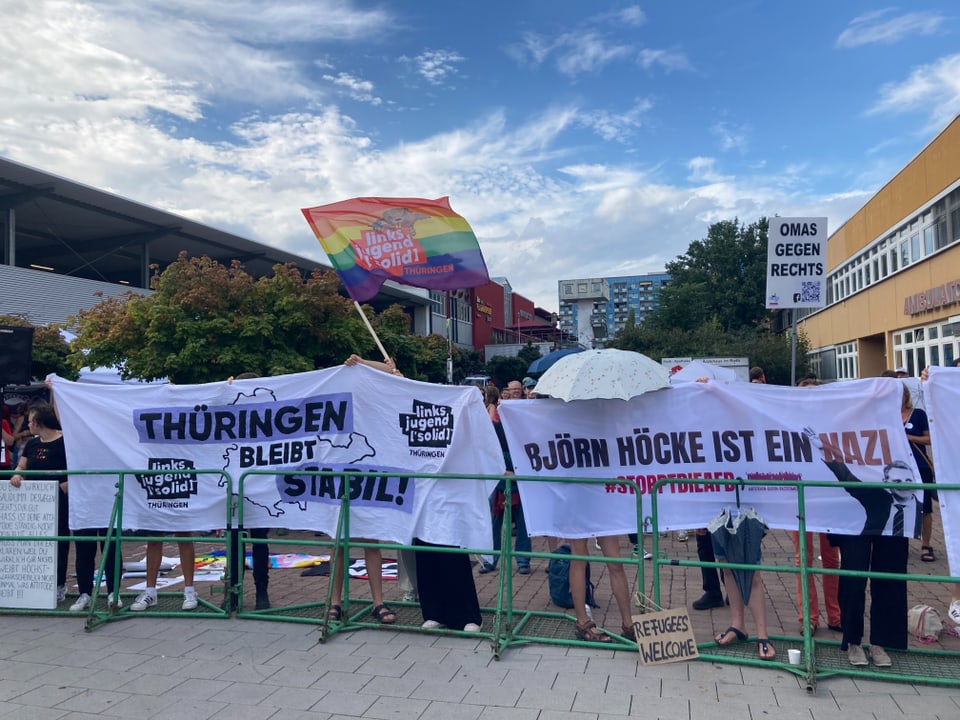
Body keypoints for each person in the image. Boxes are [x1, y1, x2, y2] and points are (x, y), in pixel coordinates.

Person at [807, 429, 918, 667]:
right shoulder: (877, 496)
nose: (903, 485)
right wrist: (824, 449)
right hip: (856, 527)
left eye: (907, 481)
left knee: (889, 580)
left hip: (896, 532)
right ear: (887, 481)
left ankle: (881, 641)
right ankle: (853, 641)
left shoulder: (913, 501)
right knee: (853, 580)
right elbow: (849, 479)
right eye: (897, 481)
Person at [790, 378, 841, 634]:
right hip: (800, 499)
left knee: (832, 558)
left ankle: (836, 615)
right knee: (804, 559)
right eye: (804, 396)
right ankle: (808, 617)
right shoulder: (786, 423)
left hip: (830, 499)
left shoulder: (833, 423)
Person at [8, 402, 71, 603]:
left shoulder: (64, 443)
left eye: (29, 421)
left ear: (38, 422)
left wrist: (62, 487)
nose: (28, 425)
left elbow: (71, 472)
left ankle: (59, 584)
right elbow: (21, 466)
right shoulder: (33, 444)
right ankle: (35, 585)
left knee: (59, 543)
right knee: (36, 544)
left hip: (59, 501)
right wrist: (17, 476)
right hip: (34, 504)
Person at [224, 371, 273, 611]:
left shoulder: (268, 415)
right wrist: (226, 388)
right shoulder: (231, 413)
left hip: (260, 490)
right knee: (234, 541)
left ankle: (261, 591)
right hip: (234, 489)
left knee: (259, 541)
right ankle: (234, 591)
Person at [900, 383, 936, 561]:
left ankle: (926, 544)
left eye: (901, 394)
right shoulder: (887, 415)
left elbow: (930, 439)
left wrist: (910, 437)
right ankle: (902, 543)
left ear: (906, 396)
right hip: (898, 468)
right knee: (901, 505)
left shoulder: (919, 414)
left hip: (920, 465)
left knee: (925, 507)